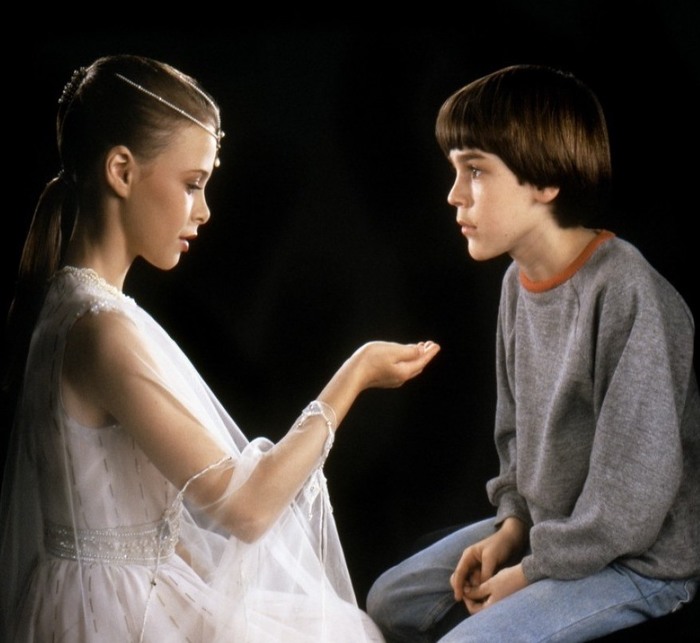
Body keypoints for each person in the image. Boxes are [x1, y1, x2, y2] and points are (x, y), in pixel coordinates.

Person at [0, 54, 440, 642]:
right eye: (192, 184)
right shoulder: (101, 330)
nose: (204, 210)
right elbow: (246, 509)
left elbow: (133, 517)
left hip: (103, 595)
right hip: (111, 617)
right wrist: (354, 376)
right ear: (122, 171)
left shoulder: (70, 305)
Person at [366, 64, 700, 642]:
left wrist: (528, 574)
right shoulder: (517, 283)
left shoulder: (627, 291)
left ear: (545, 182)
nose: (453, 195)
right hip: (554, 534)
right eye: (455, 171)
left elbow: (631, 505)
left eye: (475, 170)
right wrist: (511, 528)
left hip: (638, 560)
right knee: (388, 601)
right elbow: (515, 439)